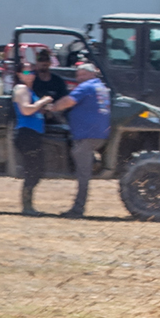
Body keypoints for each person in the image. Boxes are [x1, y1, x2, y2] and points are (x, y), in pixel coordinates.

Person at [43, 63, 110, 218]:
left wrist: (52, 107)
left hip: (86, 136)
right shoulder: (100, 87)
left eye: (83, 74)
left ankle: (78, 210)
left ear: (92, 74)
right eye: (78, 75)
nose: (79, 78)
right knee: (83, 172)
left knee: (83, 175)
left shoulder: (86, 87)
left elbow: (69, 101)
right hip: (96, 135)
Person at [12, 65, 54, 215]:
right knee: (32, 170)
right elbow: (26, 109)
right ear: (19, 74)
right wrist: (43, 101)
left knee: (35, 169)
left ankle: (28, 205)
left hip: (32, 133)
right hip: (27, 133)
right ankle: (27, 206)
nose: (30, 74)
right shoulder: (22, 89)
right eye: (26, 72)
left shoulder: (28, 90)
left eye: (32, 72)